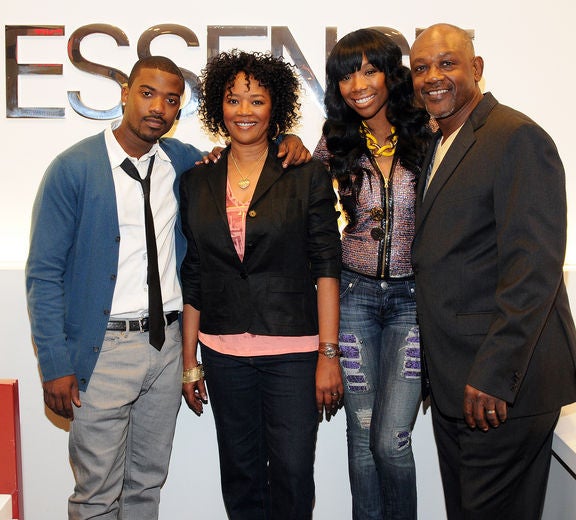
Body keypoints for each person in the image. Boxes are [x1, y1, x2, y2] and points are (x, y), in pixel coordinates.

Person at [25, 54, 309, 519]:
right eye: (147, 93)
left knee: (146, 483)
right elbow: (43, 272)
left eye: (172, 99)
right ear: (124, 94)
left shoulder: (182, 162)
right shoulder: (73, 168)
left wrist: (286, 141)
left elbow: (246, 149)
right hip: (103, 350)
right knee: (96, 490)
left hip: (166, 346)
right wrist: (55, 363)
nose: (158, 107)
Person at [409, 23, 576, 519]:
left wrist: (496, 375)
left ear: (476, 68)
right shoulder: (440, 142)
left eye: (446, 63)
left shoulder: (516, 137)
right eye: (420, 68)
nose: (432, 77)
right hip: (456, 383)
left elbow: (534, 268)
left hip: (500, 387)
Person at [179, 50, 342, 520]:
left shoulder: (306, 174)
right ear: (218, 106)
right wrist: (189, 362)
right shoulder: (198, 180)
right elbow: (195, 274)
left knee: (293, 473)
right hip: (223, 352)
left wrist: (328, 353)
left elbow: (326, 266)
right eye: (233, 100)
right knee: (240, 474)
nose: (244, 111)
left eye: (257, 100)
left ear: (276, 107)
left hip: (294, 351)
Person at [313, 28, 431, 520]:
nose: (357, 85)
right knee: (361, 438)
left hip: (413, 303)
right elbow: (295, 193)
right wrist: (287, 145)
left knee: (391, 441)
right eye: (346, 76)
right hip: (354, 296)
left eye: (369, 71)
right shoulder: (335, 139)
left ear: (390, 74)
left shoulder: (427, 131)